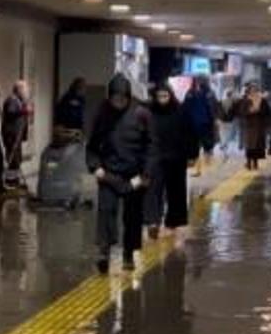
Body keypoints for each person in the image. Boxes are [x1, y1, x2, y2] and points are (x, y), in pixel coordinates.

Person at [87, 73, 156, 274]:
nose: (119, 102)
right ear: (109, 97)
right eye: (115, 98)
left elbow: (152, 146)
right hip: (109, 173)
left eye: (122, 98)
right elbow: (92, 145)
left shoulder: (142, 114)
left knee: (132, 216)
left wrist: (147, 173)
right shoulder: (102, 114)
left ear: (128, 96)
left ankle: (128, 253)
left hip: (134, 175)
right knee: (106, 212)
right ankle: (104, 251)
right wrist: (95, 166)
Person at [148, 83, 199, 238]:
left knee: (176, 191)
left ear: (171, 96)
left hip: (177, 158)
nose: (162, 99)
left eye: (165, 96)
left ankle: (174, 222)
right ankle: (154, 221)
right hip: (157, 158)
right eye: (160, 96)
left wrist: (192, 155)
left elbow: (191, 134)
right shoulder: (150, 113)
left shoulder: (181, 112)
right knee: (154, 190)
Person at [181, 74, 219, 176]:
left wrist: (215, 119)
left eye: (200, 80)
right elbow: (185, 107)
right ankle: (198, 168)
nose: (199, 82)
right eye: (197, 80)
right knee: (196, 146)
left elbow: (214, 106)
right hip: (195, 123)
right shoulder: (192, 92)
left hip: (203, 123)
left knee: (204, 146)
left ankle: (204, 166)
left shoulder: (207, 93)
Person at [237, 84, 271, 170]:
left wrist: (259, 110)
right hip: (249, 126)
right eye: (252, 90)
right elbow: (242, 112)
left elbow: (267, 112)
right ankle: (248, 162)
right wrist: (250, 111)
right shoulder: (246, 100)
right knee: (250, 145)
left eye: (255, 90)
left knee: (257, 146)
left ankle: (255, 163)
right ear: (249, 91)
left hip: (259, 126)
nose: (253, 92)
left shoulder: (262, 100)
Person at [2, 80, 32, 177]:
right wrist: (24, 111)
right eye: (25, 90)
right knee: (13, 159)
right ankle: (11, 180)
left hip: (16, 134)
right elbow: (11, 112)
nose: (27, 92)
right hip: (11, 134)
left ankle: (15, 179)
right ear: (19, 89)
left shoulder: (19, 101)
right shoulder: (12, 100)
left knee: (17, 158)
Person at [219, 88, 241, 159]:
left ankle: (223, 144)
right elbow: (235, 112)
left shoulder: (221, 101)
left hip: (222, 120)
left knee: (222, 133)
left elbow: (217, 111)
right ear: (231, 95)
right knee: (227, 134)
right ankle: (224, 144)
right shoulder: (233, 103)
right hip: (229, 120)